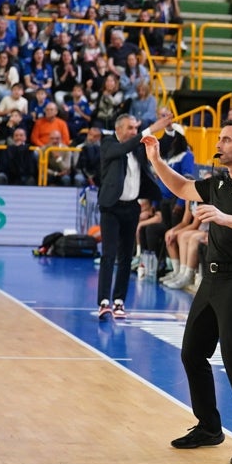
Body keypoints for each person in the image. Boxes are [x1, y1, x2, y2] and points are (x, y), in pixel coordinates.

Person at [144, 119, 232, 464]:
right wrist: (157, 160)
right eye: (220, 137)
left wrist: (223, 218)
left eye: (226, 139)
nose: (219, 143)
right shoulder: (218, 180)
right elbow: (183, 188)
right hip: (211, 281)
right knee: (192, 354)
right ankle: (208, 427)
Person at [96, 112, 167, 319]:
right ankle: (103, 302)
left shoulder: (137, 148)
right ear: (118, 129)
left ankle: (119, 302)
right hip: (111, 207)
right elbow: (123, 148)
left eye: (136, 128)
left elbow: (163, 145)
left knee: (126, 256)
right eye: (130, 128)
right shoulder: (109, 144)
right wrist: (150, 128)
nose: (134, 132)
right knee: (109, 255)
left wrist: (167, 129)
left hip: (131, 208)